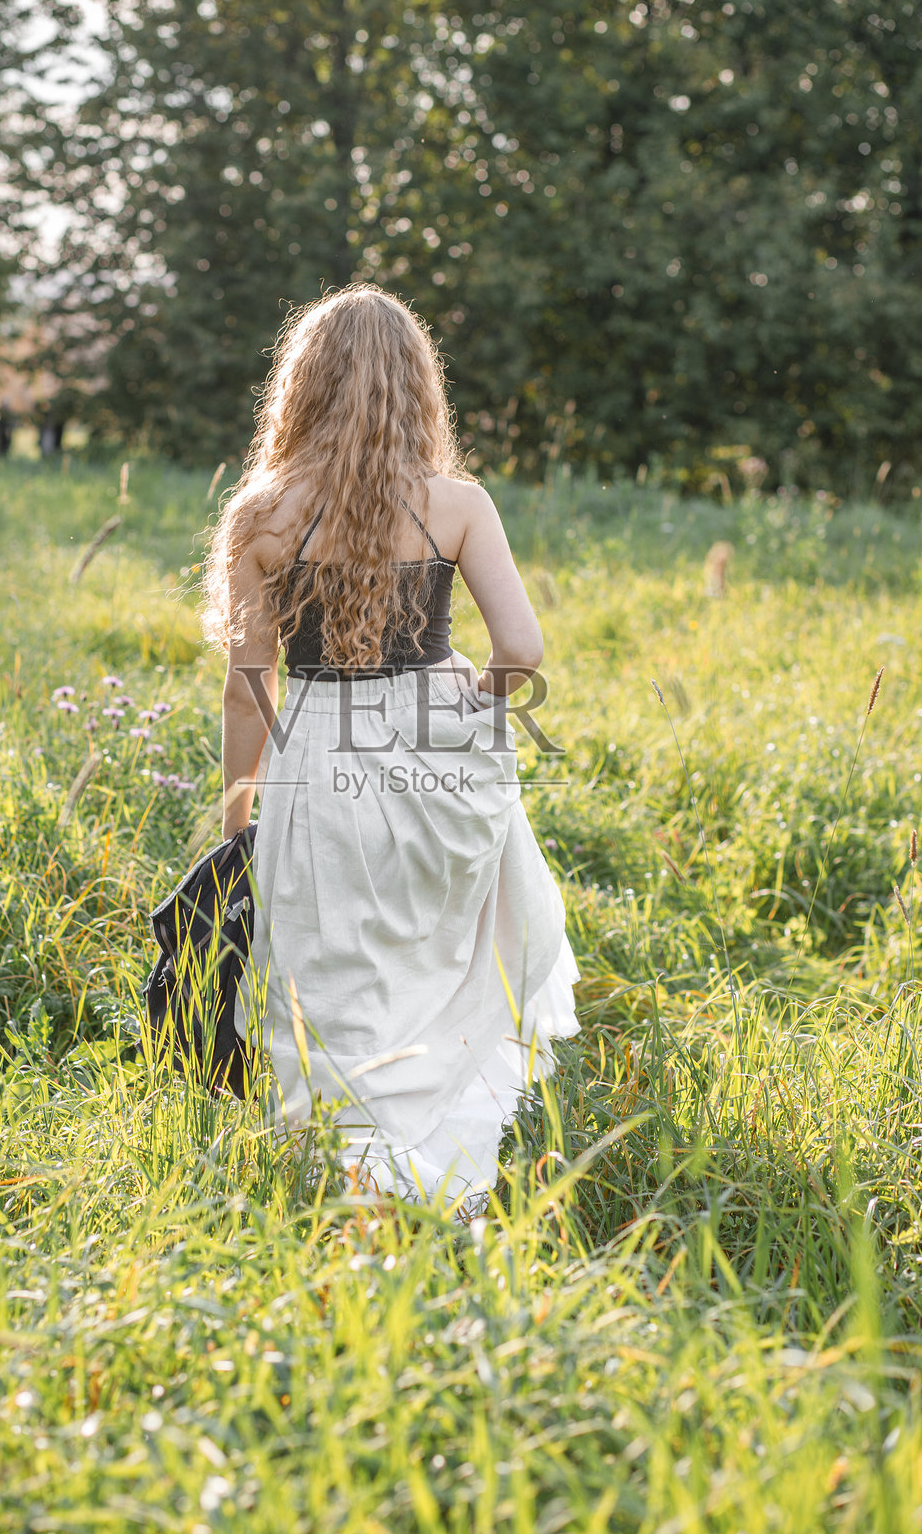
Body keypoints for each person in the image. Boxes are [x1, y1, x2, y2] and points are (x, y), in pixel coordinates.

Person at [201, 284, 579, 1218]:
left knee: (331, 957)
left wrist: (237, 815)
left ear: (300, 389)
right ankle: (438, 1146)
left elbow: (249, 686)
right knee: (438, 948)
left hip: (318, 752)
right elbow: (521, 650)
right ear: (419, 386)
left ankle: (350, 1161)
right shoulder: (457, 504)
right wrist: (467, 705)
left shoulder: (261, 515)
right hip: (433, 747)